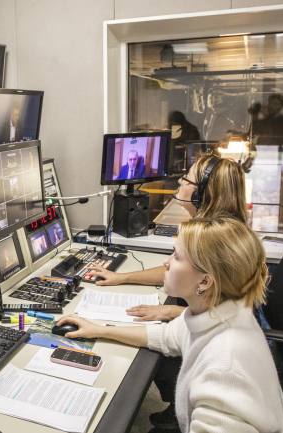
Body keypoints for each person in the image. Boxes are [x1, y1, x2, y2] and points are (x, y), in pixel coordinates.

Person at [58, 217, 283, 433]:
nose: (166, 263)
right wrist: (100, 330)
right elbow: (166, 336)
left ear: (205, 282)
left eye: (176, 256)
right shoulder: (220, 313)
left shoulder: (225, 369)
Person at [87, 153, 247, 430]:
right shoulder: (217, 231)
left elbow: (226, 319)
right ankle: (177, 407)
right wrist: (122, 277)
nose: (180, 184)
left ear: (202, 193)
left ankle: (181, 410)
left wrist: (172, 311)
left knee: (141, 361)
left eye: (187, 180)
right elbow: (175, 272)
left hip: (220, 386)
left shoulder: (216, 243)